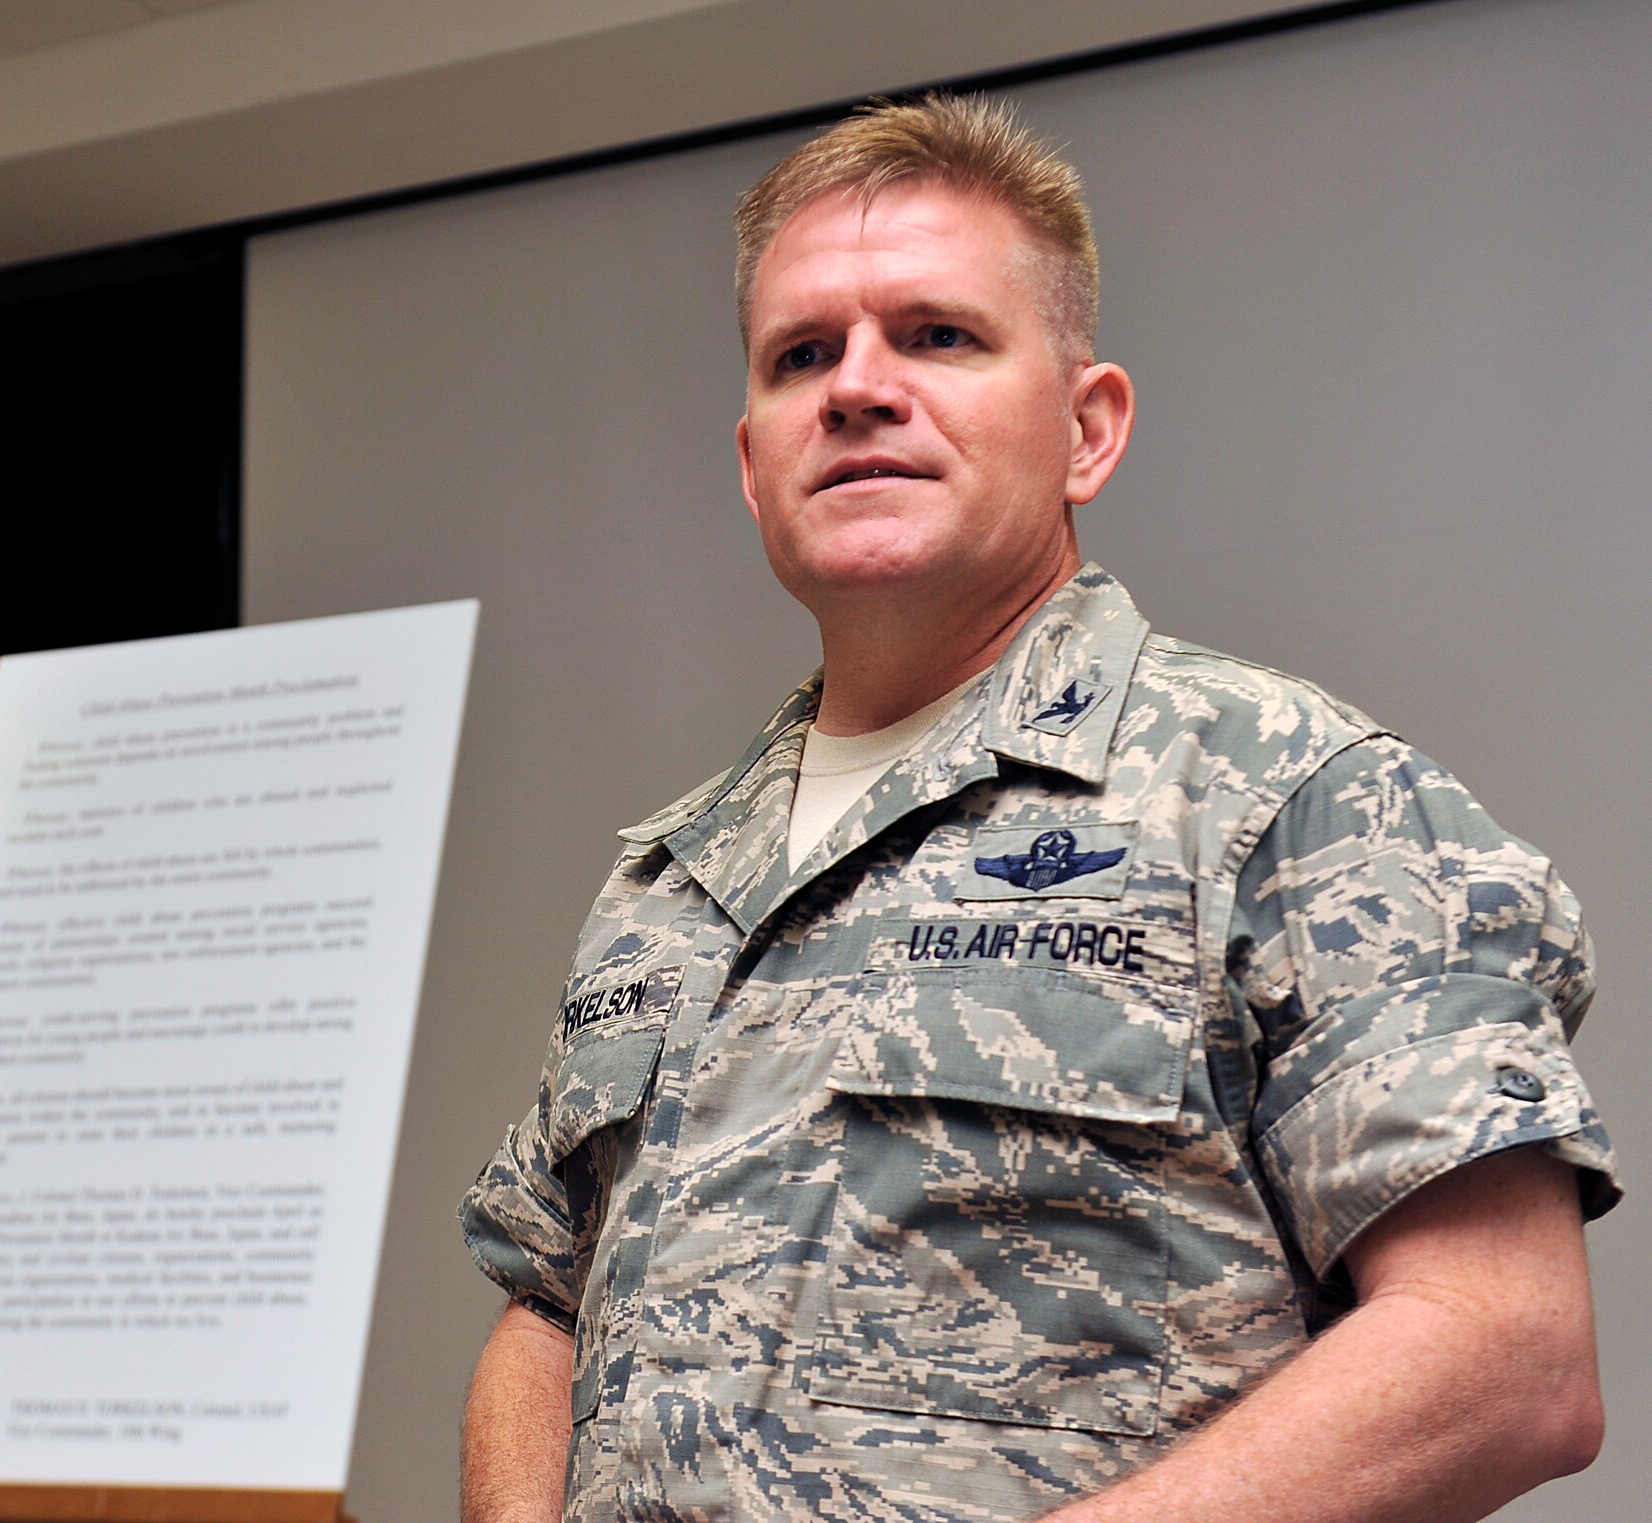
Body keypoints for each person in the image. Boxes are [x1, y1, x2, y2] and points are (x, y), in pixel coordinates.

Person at [455, 94, 1618, 1523]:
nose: (858, 387)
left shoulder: (1289, 794)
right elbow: (546, 1304)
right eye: (801, 354)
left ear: (1088, 429)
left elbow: (1506, 1354)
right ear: (754, 466)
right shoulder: (672, 879)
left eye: (937, 335)